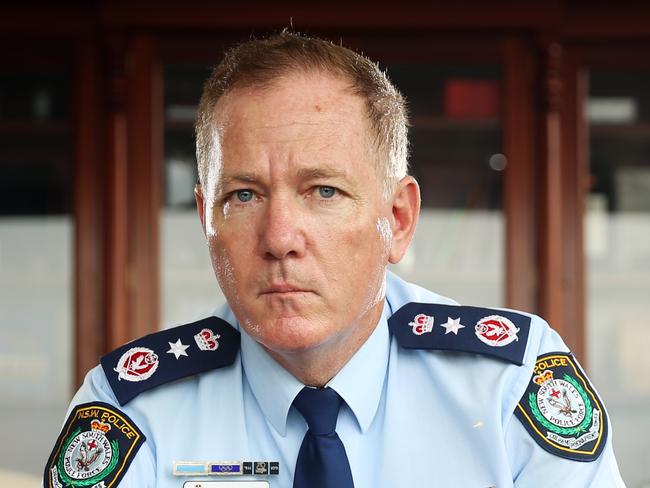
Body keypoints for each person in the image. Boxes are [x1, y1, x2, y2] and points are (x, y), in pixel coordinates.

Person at [44, 32, 625, 488]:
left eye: (324, 191)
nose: (279, 238)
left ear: (397, 220)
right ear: (206, 220)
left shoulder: (508, 384)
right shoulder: (130, 410)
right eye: (242, 195)